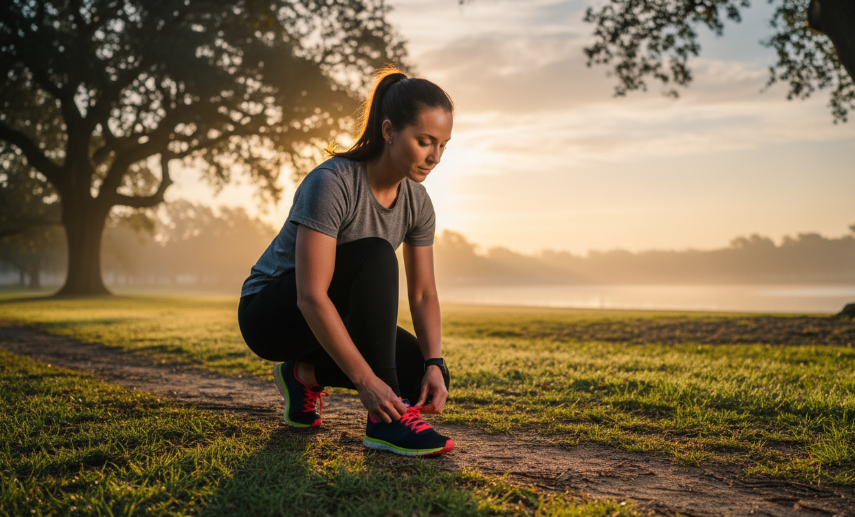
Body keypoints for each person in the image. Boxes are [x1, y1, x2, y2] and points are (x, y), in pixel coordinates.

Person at [237, 66, 455, 456]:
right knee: (374, 254)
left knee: (416, 372)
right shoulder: (333, 182)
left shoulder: (417, 203)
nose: (435, 156)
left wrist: (435, 363)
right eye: (425, 141)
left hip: (331, 317)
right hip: (271, 314)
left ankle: (302, 374)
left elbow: (422, 294)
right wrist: (368, 384)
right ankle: (385, 424)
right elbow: (311, 296)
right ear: (389, 131)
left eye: (443, 145)